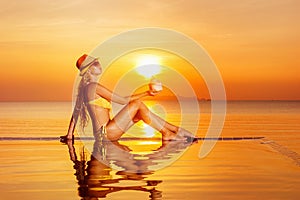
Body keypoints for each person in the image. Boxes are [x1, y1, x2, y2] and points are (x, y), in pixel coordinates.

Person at [60, 54, 195, 143]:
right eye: (94, 63)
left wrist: (70, 134)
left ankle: (174, 130)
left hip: (104, 134)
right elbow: (124, 101)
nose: (98, 63)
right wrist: (147, 93)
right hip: (107, 133)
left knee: (139, 113)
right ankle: (168, 133)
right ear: (88, 71)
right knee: (137, 104)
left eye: (96, 61)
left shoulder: (85, 89)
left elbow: (76, 112)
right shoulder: (94, 86)